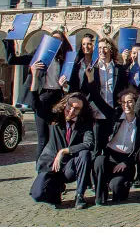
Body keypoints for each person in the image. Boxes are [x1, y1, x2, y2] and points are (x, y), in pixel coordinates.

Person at [29, 64, 95, 209]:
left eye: (76, 108)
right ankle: (56, 188)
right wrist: (34, 76)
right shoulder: (55, 117)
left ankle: (80, 195)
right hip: (51, 165)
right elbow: (35, 105)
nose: (71, 111)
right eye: (70, 106)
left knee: (84, 154)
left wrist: (64, 151)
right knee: (39, 194)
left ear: (81, 111)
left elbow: (89, 144)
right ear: (65, 104)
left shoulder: (85, 123)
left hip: (70, 166)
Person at [3, 30, 72, 160]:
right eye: (54, 40)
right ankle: (40, 168)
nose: (56, 43)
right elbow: (12, 59)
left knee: (57, 133)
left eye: (59, 40)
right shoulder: (39, 55)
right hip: (42, 98)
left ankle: (55, 165)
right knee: (43, 137)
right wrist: (11, 39)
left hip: (58, 98)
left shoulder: (63, 59)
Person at [86, 66, 140, 205]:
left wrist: (126, 163)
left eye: (130, 101)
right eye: (124, 102)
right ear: (120, 103)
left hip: (126, 160)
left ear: (135, 102)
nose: (127, 105)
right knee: (99, 160)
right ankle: (100, 197)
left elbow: (139, 149)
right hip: (111, 156)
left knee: (118, 190)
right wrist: (90, 79)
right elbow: (97, 99)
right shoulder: (114, 115)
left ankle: (116, 185)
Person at [90, 37, 129, 157]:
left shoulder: (119, 69)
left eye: (105, 47)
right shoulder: (93, 69)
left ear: (111, 50)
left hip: (113, 113)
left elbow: (123, 90)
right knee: (96, 147)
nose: (102, 50)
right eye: (100, 48)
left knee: (111, 146)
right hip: (97, 113)